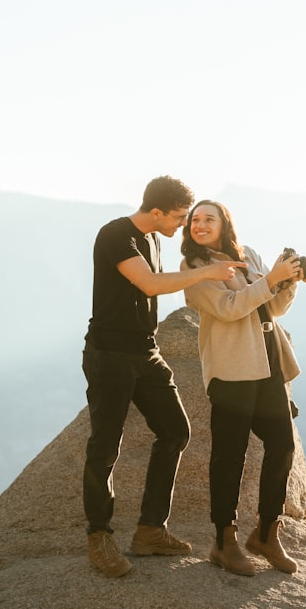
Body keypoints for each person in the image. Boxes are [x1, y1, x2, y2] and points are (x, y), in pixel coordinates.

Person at [82, 176, 247, 578]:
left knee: (175, 431)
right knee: (105, 445)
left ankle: (150, 530)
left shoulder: (153, 239)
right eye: (177, 217)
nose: (182, 224)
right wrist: (207, 274)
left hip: (145, 352)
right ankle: (99, 536)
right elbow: (150, 284)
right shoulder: (116, 235)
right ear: (156, 212)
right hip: (110, 354)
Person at [180, 200, 305, 576]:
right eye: (195, 220)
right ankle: (224, 540)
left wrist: (287, 282)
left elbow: (273, 308)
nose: (200, 224)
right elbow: (230, 307)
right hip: (232, 369)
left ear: (224, 224)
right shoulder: (194, 268)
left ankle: (266, 533)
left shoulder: (247, 254)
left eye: (209, 218)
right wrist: (270, 280)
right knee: (229, 456)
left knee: (282, 445)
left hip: (268, 364)